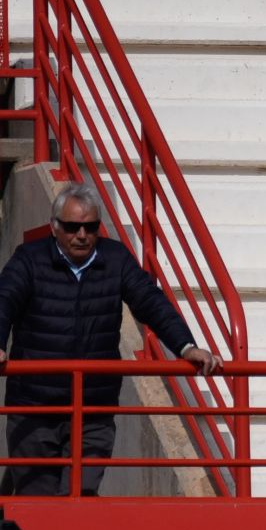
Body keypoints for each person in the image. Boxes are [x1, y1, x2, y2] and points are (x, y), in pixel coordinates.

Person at [0, 183, 221, 496]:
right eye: (72, 227)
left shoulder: (115, 259)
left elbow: (150, 301)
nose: (81, 235)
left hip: (93, 407)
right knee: (37, 504)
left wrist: (186, 346)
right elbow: (5, 298)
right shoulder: (29, 260)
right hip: (35, 407)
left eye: (90, 227)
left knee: (82, 497)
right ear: (54, 227)